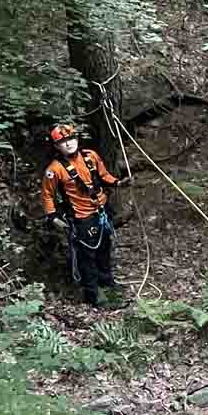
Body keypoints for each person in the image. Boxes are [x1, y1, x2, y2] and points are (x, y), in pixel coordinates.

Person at [39, 124, 124, 307]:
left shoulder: (90, 156)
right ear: (56, 146)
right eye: (62, 142)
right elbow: (47, 195)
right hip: (81, 216)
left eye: (71, 139)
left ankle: (107, 282)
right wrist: (52, 216)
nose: (68, 144)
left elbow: (104, 175)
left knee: (104, 248)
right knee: (87, 255)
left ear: (77, 139)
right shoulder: (55, 169)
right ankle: (93, 294)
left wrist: (117, 183)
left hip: (101, 210)